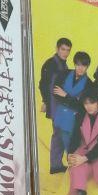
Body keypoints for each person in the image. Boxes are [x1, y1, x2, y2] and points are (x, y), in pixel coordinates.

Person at [39, 37, 72, 173]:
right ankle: (55, 165)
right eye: (63, 49)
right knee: (59, 133)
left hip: (62, 104)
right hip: (55, 105)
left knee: (61, 132)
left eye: (68, 50)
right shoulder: (50, 64)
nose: (65, 53)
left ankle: (57, 164)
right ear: (57, 49)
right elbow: (43, 84)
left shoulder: (63, 64)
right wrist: (45, 102)